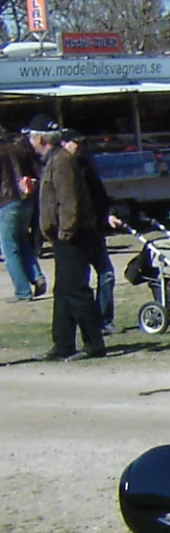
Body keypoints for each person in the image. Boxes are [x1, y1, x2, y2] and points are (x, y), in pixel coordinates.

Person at [30, 120, 105, 359]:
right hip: (63, 235)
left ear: (40, 139)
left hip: (74, 235)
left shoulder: (62, 161)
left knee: (76, 290)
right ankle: (62, 343)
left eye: (31, 137)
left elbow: (69, 201)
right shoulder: (53, 160)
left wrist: (66, 232)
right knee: (62, 291)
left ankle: (94, 343)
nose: (30, 143)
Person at [60, 131, 117, 330]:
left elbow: (99, 194)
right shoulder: (60, 168)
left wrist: (108, 213)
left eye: (81, 142)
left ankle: (104, 320)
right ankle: (84, 323)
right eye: (76, 142)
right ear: (64, 143)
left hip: (93, 229)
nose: (79, 146)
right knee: (79, 281)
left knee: (107, 273)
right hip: (76, 231)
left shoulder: (85, 165)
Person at [0, 140, 40, 301]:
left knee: (9, 247)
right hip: (26, 199)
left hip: (6, 201)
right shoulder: (19, 148)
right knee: (22, 241)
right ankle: (36, 275)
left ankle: (23, 290)